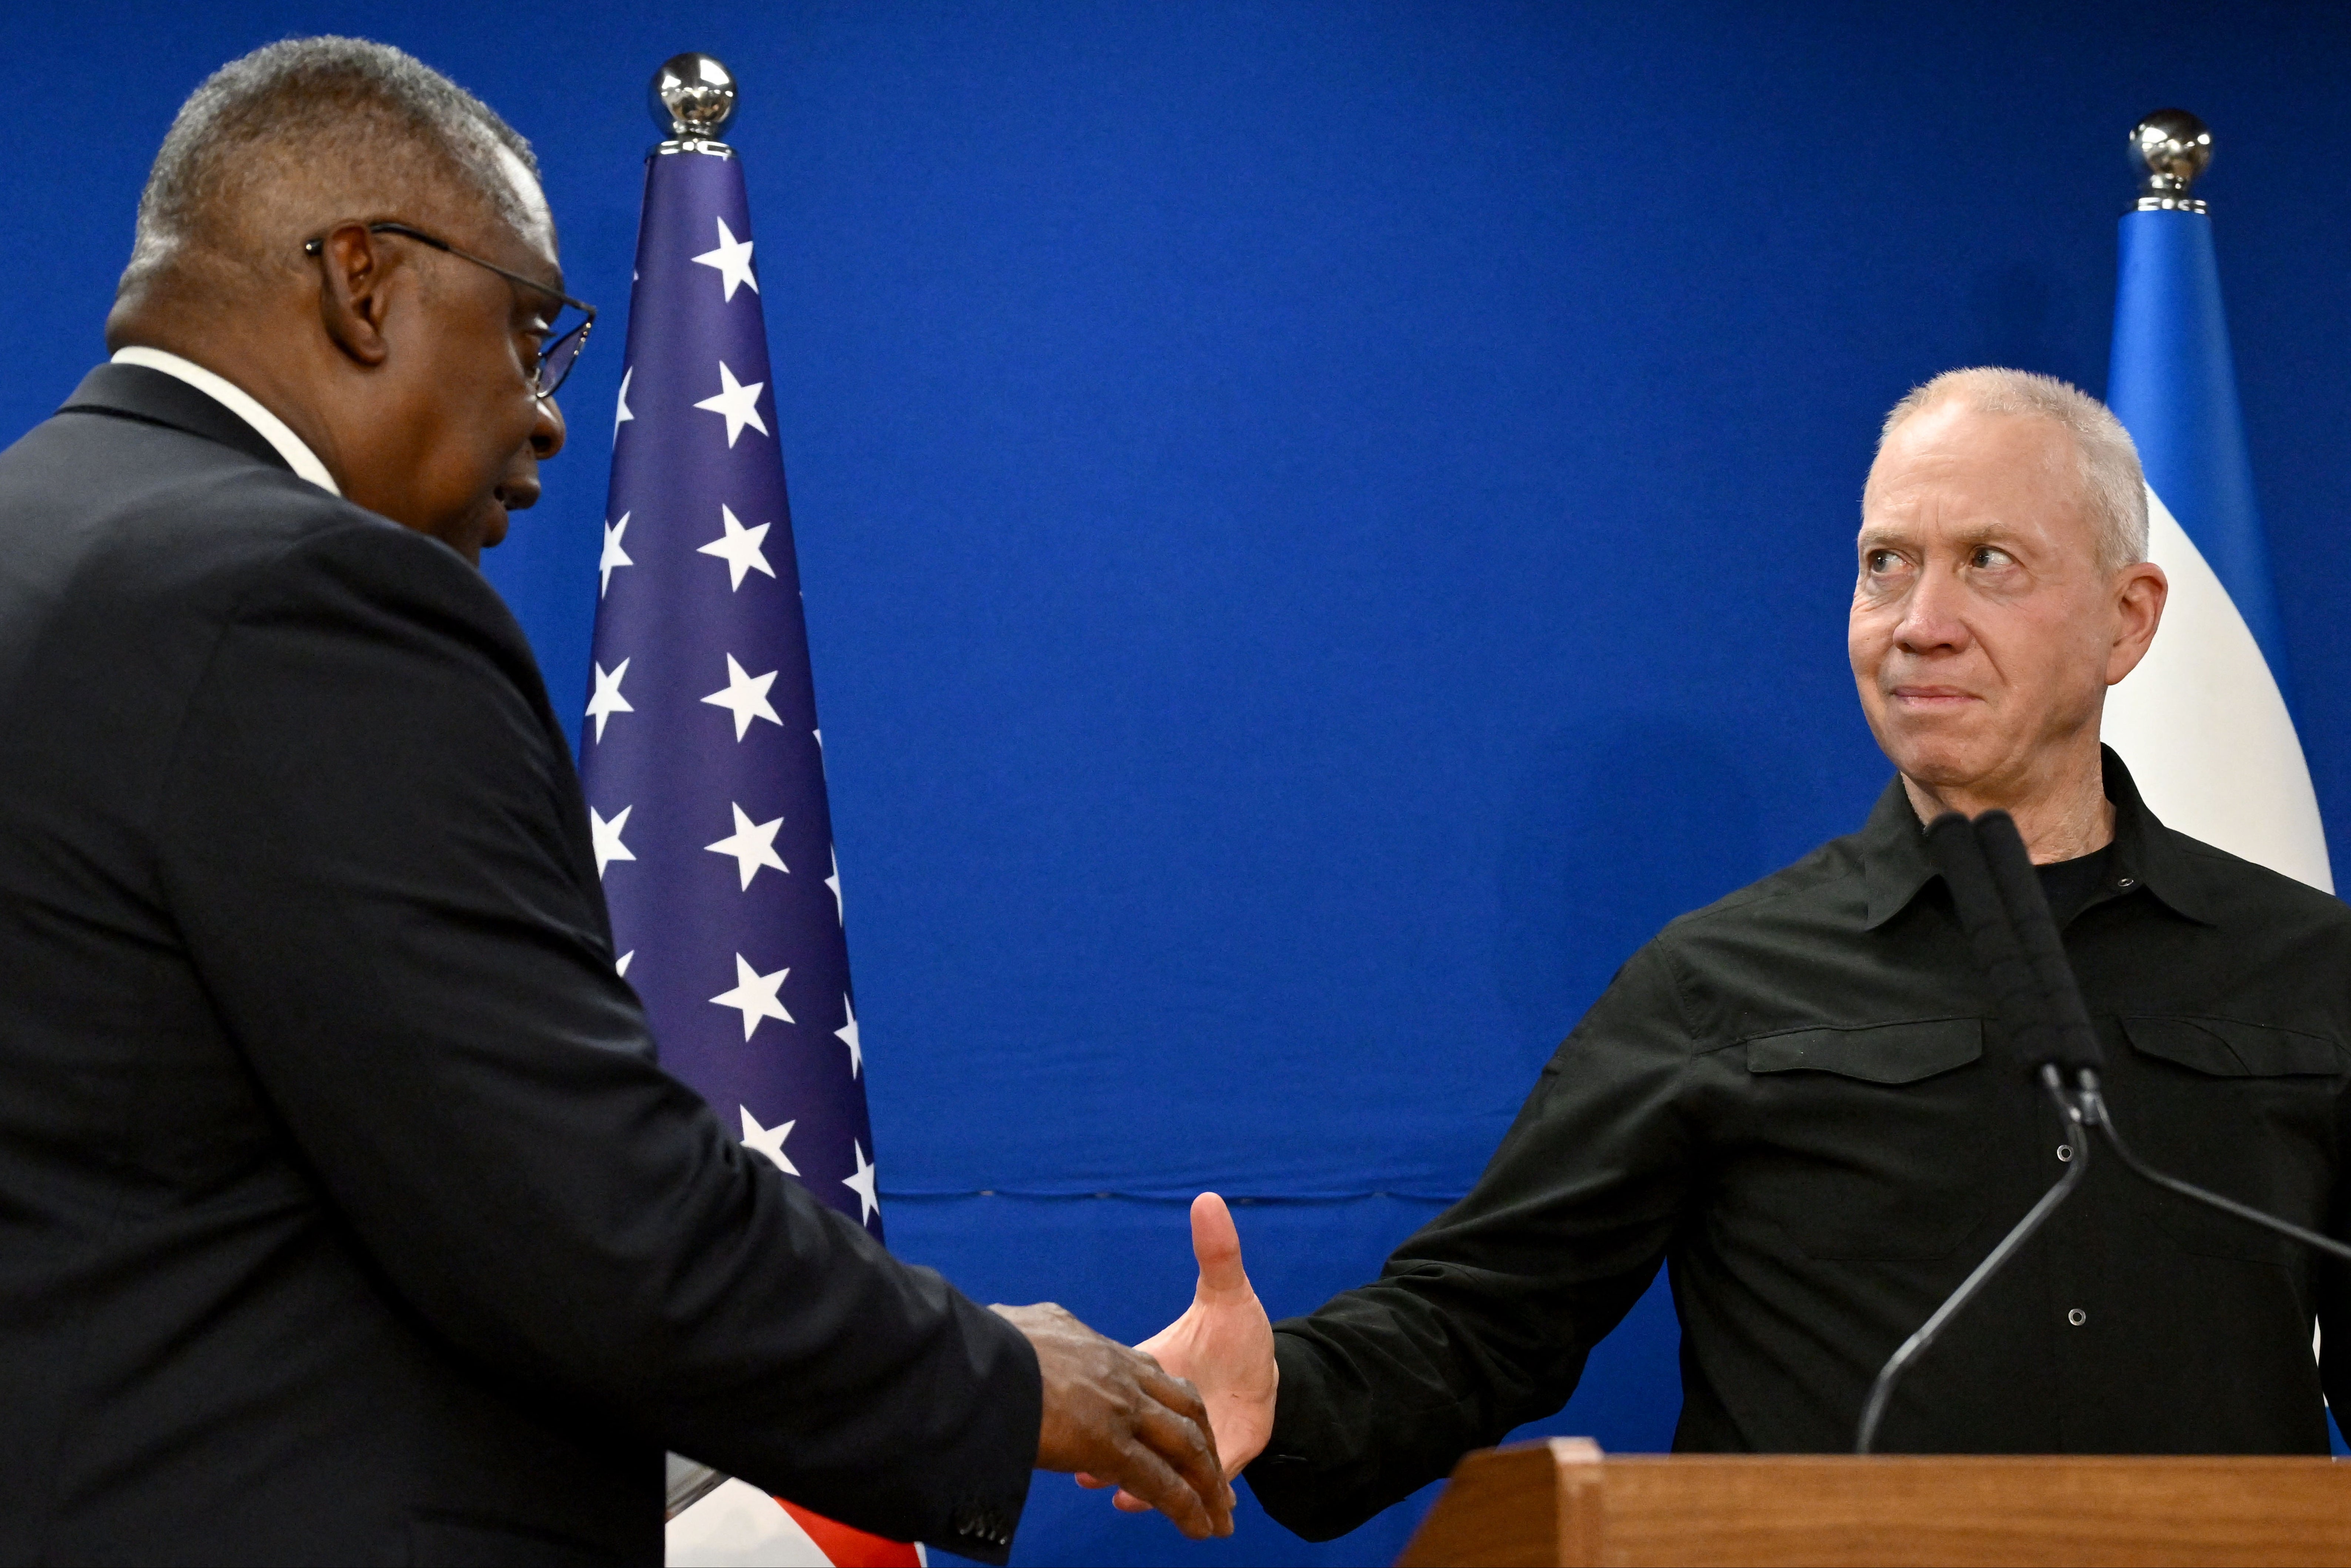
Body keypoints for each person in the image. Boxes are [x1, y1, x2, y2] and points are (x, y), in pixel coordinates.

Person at [0, 38, 1230, 1564]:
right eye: (529, 331)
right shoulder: (304, 597)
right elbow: (573, 1211)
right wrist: (992, 1376)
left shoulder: (39, 551)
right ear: (363, 282)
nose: (547, 414)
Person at [1113, 367, 2351, 1541]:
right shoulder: (1720, 983)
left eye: (1989, 564)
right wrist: (1285, 1383)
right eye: (1886, 566)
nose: (1922, 624)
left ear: (2127, 623)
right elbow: (1484, 1317)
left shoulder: (2307, 971)